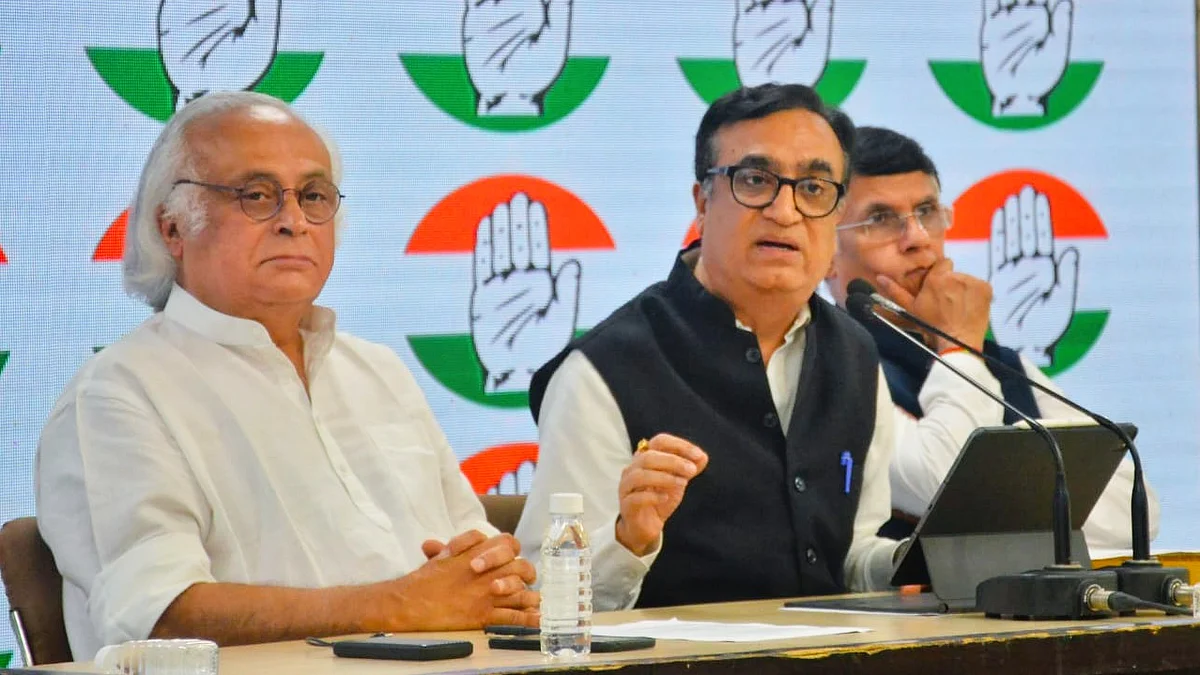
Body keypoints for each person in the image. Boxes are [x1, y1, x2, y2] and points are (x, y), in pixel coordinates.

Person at [36, 91, 538, 659]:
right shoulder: (118, 393)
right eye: (257, 196)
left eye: (314, 196)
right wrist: (400, 605)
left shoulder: (377, 371)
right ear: (172, 227)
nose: (294, 222)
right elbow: (158, 619)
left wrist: (496, 582)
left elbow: (479, 569)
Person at [514, 84, 901, 611]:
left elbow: (852, 556)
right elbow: (545, 593)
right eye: (756, 180)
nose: (785, 211)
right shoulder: (605, 370)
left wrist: (927, 559)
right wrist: (631, 541)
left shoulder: (855, 352)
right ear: (703, 201)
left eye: (813, 187)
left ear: (836, 213)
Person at [824, 125, 1159, 553]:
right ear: (827, 256)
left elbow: (1137, 512)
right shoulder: (828, 365)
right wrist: (959, 350)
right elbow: (940, 481)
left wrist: (1003, 486)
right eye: (880, 220)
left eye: (927, 211)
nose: (918, 240)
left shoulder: (1002, 362)